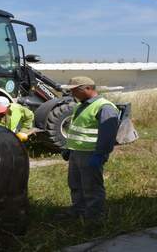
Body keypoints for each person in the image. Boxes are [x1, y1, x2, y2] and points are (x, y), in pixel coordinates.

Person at [60, 76, 119, 221]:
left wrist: (100, 155)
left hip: (91, 154)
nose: (72, 94)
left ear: (87, 88)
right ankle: (78, 209)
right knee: (75, 185)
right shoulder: (81, 105)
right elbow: (77, 129)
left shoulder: (104, 107)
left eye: (74, 90)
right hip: (76, 153)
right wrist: (69, 148)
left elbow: (108, 135)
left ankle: (94, 217)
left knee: (91, 187)